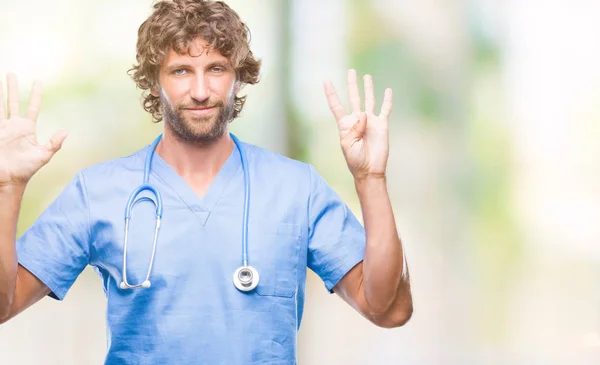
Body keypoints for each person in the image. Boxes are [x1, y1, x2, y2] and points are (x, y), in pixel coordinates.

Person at [0, 0, 412, 363]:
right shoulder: (98, 193)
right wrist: (7, 187)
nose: (200, 90)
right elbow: (5, 303)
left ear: (237, 76)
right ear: (154, 80)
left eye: (216, 68)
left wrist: (370, 178)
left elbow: (388, 310)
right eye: (181, 70)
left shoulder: (296, 188)